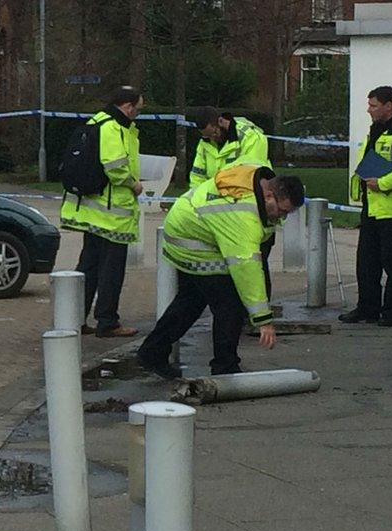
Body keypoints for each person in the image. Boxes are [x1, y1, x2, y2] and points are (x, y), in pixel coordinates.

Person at [134, 165, 305, 379]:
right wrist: (263, 320)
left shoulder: (255, 182)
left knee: (190, 302)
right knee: (230, 306)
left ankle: (153, 351)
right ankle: (225, 367)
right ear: (269, 195)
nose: (282, 218)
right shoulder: (244, 214)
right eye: (282, 211)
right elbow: (246, 268)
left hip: (186, 231)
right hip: (195, 245)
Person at [60, 86, 144, 338]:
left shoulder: (97, 120)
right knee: (111, 270)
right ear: (128, 107)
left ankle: (76, 318)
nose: (138, 114)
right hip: (111, 215)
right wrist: (134, 184)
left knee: (89, 266)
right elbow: (115, 166)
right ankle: (107, 321)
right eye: (138, 109)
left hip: (92, 213)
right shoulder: (113, 127)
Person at [339, 86, 392, 328]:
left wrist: (382, 183)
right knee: (366, 263)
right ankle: (367, 308)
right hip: (372, 207)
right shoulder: (374, 131)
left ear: (389, 106)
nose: (369, 110)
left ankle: (390, 312)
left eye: (373, 105)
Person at [191, 106, 275, 296]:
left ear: (220, 121)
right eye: (207, 136)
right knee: (232, 265)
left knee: (256, 262)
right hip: (223, 214)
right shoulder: (205, 143)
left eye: (213, 133)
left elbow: (253, 177)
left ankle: (260, 312)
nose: (212, 138)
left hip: (251, 211)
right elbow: (197, 178)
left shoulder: (250, 137)